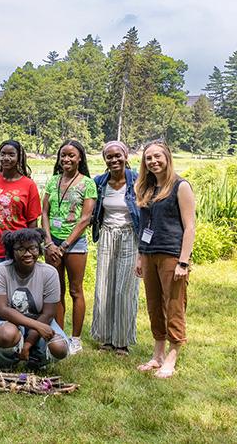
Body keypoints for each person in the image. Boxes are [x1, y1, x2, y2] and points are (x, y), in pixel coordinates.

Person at [134, 140, 195, 379]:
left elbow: (190, 227)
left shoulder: (181, 186)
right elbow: (144, 226)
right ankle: (157, 354)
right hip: (149, 254)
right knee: (154, 305)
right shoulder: (147, 188)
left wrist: (183, 261)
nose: (153, 161)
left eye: (158, 156)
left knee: (174, 304)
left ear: (167, 157)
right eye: (149, 158)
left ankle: (172, 354)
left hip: (172, 254)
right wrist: (140, 255)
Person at [41, 139, 96, 355]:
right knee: (56, 291)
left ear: (80, 158)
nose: (66, 159)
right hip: (51, 243)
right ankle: (59, 335)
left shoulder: (87, 183)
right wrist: (48, 242)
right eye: (63, 155)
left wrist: (64, 245)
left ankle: (76, 339)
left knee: (75, 290)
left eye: (71, 155)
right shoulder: (53, 181)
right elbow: (44, 212)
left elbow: (85, 219)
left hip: (74, 244)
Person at [0, 228, 69, 370]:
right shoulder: (0, 270)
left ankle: (37, 359)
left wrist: (28, 344)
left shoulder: (49, 273)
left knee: (59, 347)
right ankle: (6, 362)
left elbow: (48, 314)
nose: (28, 254)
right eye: (21, 249)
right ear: (11, 251)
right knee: (6, 334)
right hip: (7, 321)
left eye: (33, 248)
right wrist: (37, 326)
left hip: (40, 318)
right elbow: (2, 310)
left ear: (39, 249)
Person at [90, 140, 140, 356]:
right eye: (109, 157)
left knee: (125, 288)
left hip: (130, 235)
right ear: (105, 160)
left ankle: (122, 341)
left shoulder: (138, 179)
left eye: (117, 155)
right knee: (104, 286)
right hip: (107, 235)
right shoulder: (100, 182)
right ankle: (106, 338)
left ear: (125, 155)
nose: (114, 160)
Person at [0, 139, 41, 277]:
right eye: (3, 154)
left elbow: (32, 222)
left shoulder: (29, 185)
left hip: (19, 249)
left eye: (11, 154)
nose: (6, 158)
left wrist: (33, 249)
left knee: (18, 292)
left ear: (19, 157)